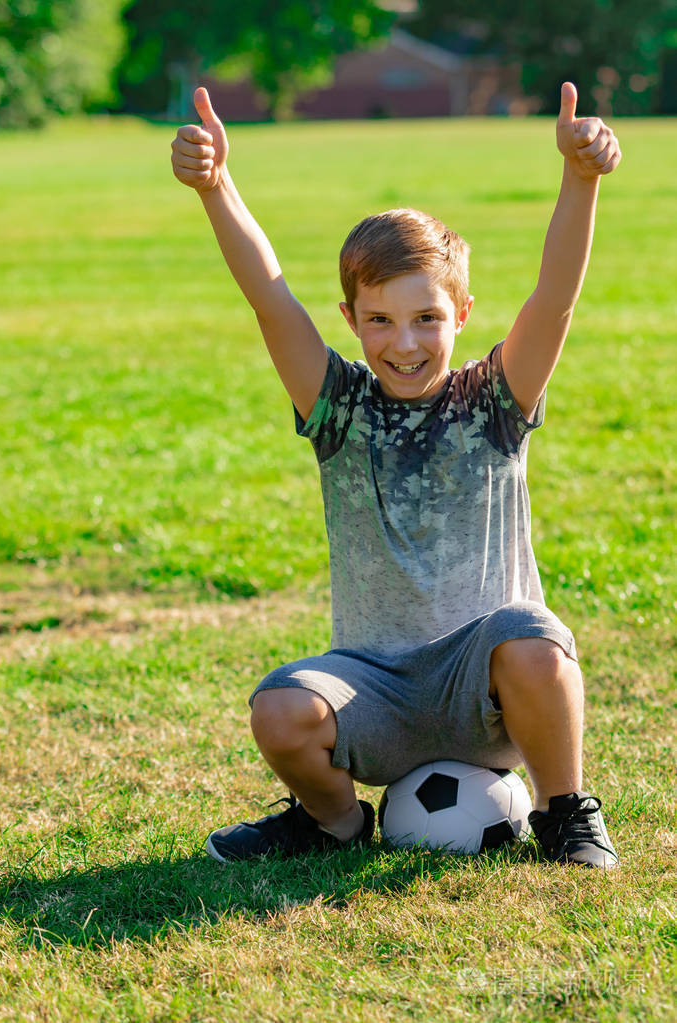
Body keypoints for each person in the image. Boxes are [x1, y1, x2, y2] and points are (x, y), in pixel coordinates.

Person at [171, 82, 621, 869]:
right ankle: (334, 822)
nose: (403, 342)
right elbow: (269, 296)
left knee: (535, 637)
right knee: (279, 708)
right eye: (379, 319)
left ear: (462, 315)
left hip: (486, 689)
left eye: (426, 319)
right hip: (373, 687)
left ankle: (564, 812)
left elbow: (556, 299)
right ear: (350, 319)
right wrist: (216, 187)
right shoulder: (339, 406)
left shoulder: (494, 401)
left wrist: (580, 178)